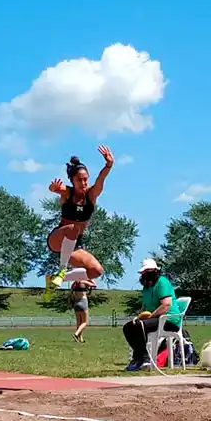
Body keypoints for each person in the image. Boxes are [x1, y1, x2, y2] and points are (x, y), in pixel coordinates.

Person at [43, 145, 114, 300]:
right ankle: (62, 269)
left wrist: (108, 165)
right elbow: (55, 187)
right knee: (73, 228)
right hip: (58, 238)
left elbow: (101, 178)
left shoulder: (91, 195)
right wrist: (52, 188)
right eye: (79, 180)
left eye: (85, 179)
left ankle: (55, 279)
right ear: (72, 181)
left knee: (96, 271)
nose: (83, 183)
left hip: (75, 244)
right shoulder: (68, 192)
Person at [122, 259, 186, 371]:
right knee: (128, 327)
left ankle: (144, 359)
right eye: (144, 272)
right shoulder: (147, 287)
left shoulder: (162, 282)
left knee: (141, 326)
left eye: (149, 271)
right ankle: (138, 358)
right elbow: (144, 307)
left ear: (156, 271)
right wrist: (139, 316)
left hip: (169, 320)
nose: (146, 274)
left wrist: (151, 317)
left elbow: (166, 305)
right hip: (154, 319)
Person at [71, 278, 96, 343]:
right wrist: (90, 278)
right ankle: (76, 334)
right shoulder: (84, 282)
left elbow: (71, 293)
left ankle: (80, 338)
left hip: (76, 304)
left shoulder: (74, 284)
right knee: (85, 322)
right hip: (83, 302)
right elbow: (94, 284)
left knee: (79, 323)